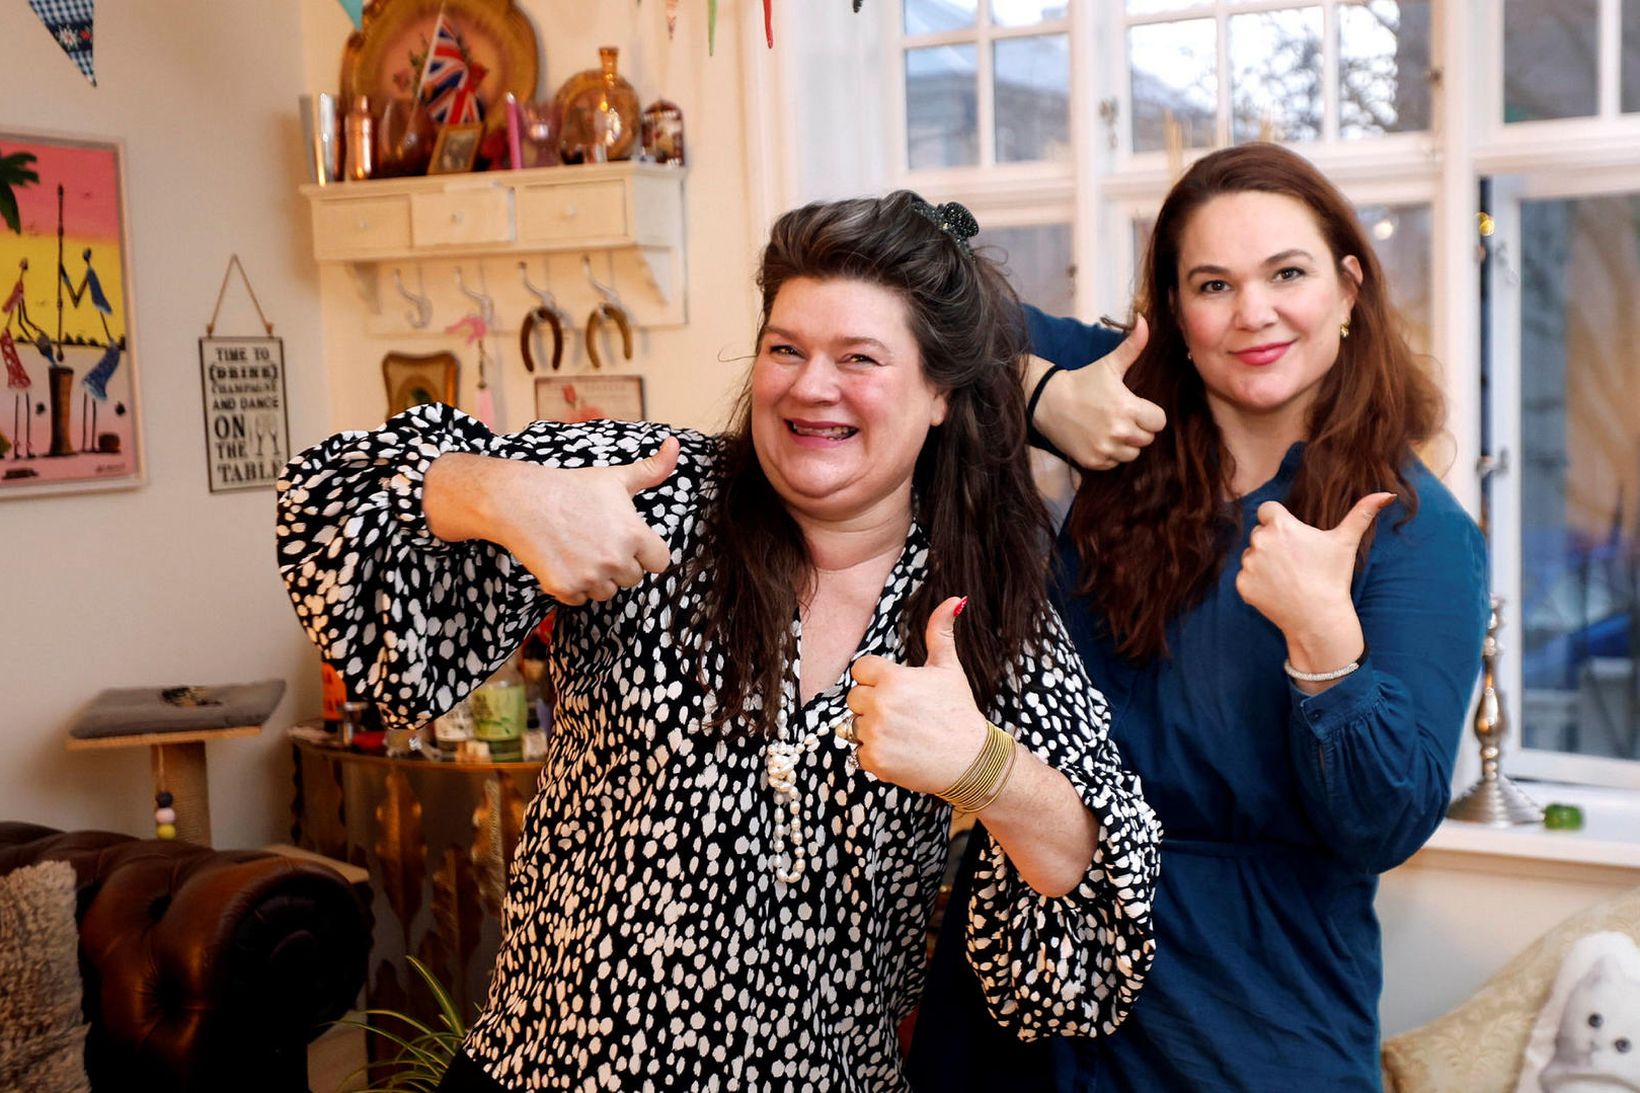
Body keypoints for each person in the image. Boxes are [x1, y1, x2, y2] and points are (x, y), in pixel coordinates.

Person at [276, 191, 1161, 1091]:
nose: (810, 385)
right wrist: (500, 493)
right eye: (786, 348)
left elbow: (1102, 888)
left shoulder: (985, 602)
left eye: (859, 357)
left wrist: (984, 766)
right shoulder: (654, 487)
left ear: (939, 393)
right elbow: (327, 510)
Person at [911, 143, 1489, 1091]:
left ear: (1348, 290)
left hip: (1243, 1025)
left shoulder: (1416, 536)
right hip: (1017, 1000)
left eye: (1288, 274)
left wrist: (1325, 649)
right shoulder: (1121, 397)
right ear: (1174, 313)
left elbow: (1386, 823)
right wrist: (1041, 390)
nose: (1253, 312)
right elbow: (893, 274)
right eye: (1212, 284)